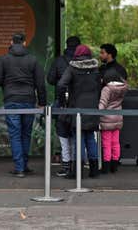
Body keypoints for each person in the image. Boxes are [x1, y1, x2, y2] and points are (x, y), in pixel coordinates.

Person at [0, 33, 46, 178]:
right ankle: (24, 165)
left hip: (11, 100)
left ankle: (19, 167)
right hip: (29, 100)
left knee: (15, 134)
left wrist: (8, 82)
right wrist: (42, 102)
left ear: (11, 42)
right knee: (26, 133)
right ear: (24, 42)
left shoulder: (3, 59)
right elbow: (40, 83)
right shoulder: (33, 60)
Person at [58, 44, 101, 178]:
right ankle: (94, 170)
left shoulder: (73, 68)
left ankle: (77, 171)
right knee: (90, 137)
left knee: (79, 138)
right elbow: (100, 86)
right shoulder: (96, 68)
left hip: (77, 107)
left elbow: (61, 85)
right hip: (93, 108)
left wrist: (63, 102)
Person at [46, 35, 81, 177]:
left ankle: (64, 162)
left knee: (61, 133)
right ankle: (76, 164)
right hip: (78, 101)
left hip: (61, 101)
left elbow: (50, 79)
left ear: (66, 45)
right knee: (76, 133)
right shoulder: (83, 62)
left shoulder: (59, 61)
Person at [99, 74, 128, 174]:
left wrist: (96, 112)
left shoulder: (107, 89)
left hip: (107, 119)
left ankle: (106, 166)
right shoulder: (122, 88)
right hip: (118, 117)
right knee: (115, 143)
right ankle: (114, 165)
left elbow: (103, 103)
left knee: (106, 143)